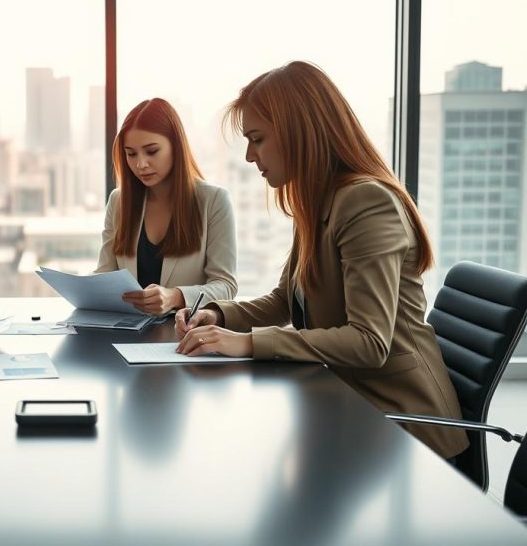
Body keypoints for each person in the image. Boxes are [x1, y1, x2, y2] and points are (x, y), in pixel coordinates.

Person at [175, 61, 468, 460]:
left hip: (407, 432)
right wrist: (219, 317)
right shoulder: (317, 201)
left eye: (257, 139)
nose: (249, 156)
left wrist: (245, 343)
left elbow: (369, 342)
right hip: (350, 406)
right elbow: (284, 301)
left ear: (299, 131)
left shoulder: (366, 201)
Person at [97, 97, 237, 316]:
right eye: (131, 154)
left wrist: (175, 296)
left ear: (176, 147)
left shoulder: (214, 201)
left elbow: (225, 286)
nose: (140, 164)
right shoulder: (119, 201)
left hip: (182, 335)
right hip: (125, 332)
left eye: (151, 151)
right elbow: (104, 277)